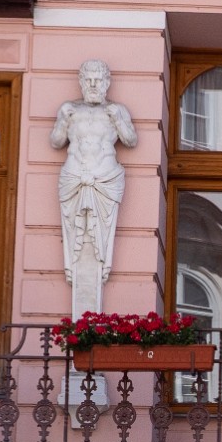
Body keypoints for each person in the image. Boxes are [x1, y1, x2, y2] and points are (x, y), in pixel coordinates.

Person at [51, 60, 138, 316]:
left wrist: (118, 119)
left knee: (101, 235)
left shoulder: (115, 110)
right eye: (88, 80)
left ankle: (90, 305)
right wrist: (62, 121)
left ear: (106, 83)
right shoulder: (70, 110)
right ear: (81, 82)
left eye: (98, 80)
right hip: (74, 178)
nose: (92, 85)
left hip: (104, 180)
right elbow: (56, 142)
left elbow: (131, 140)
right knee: (75, 235)